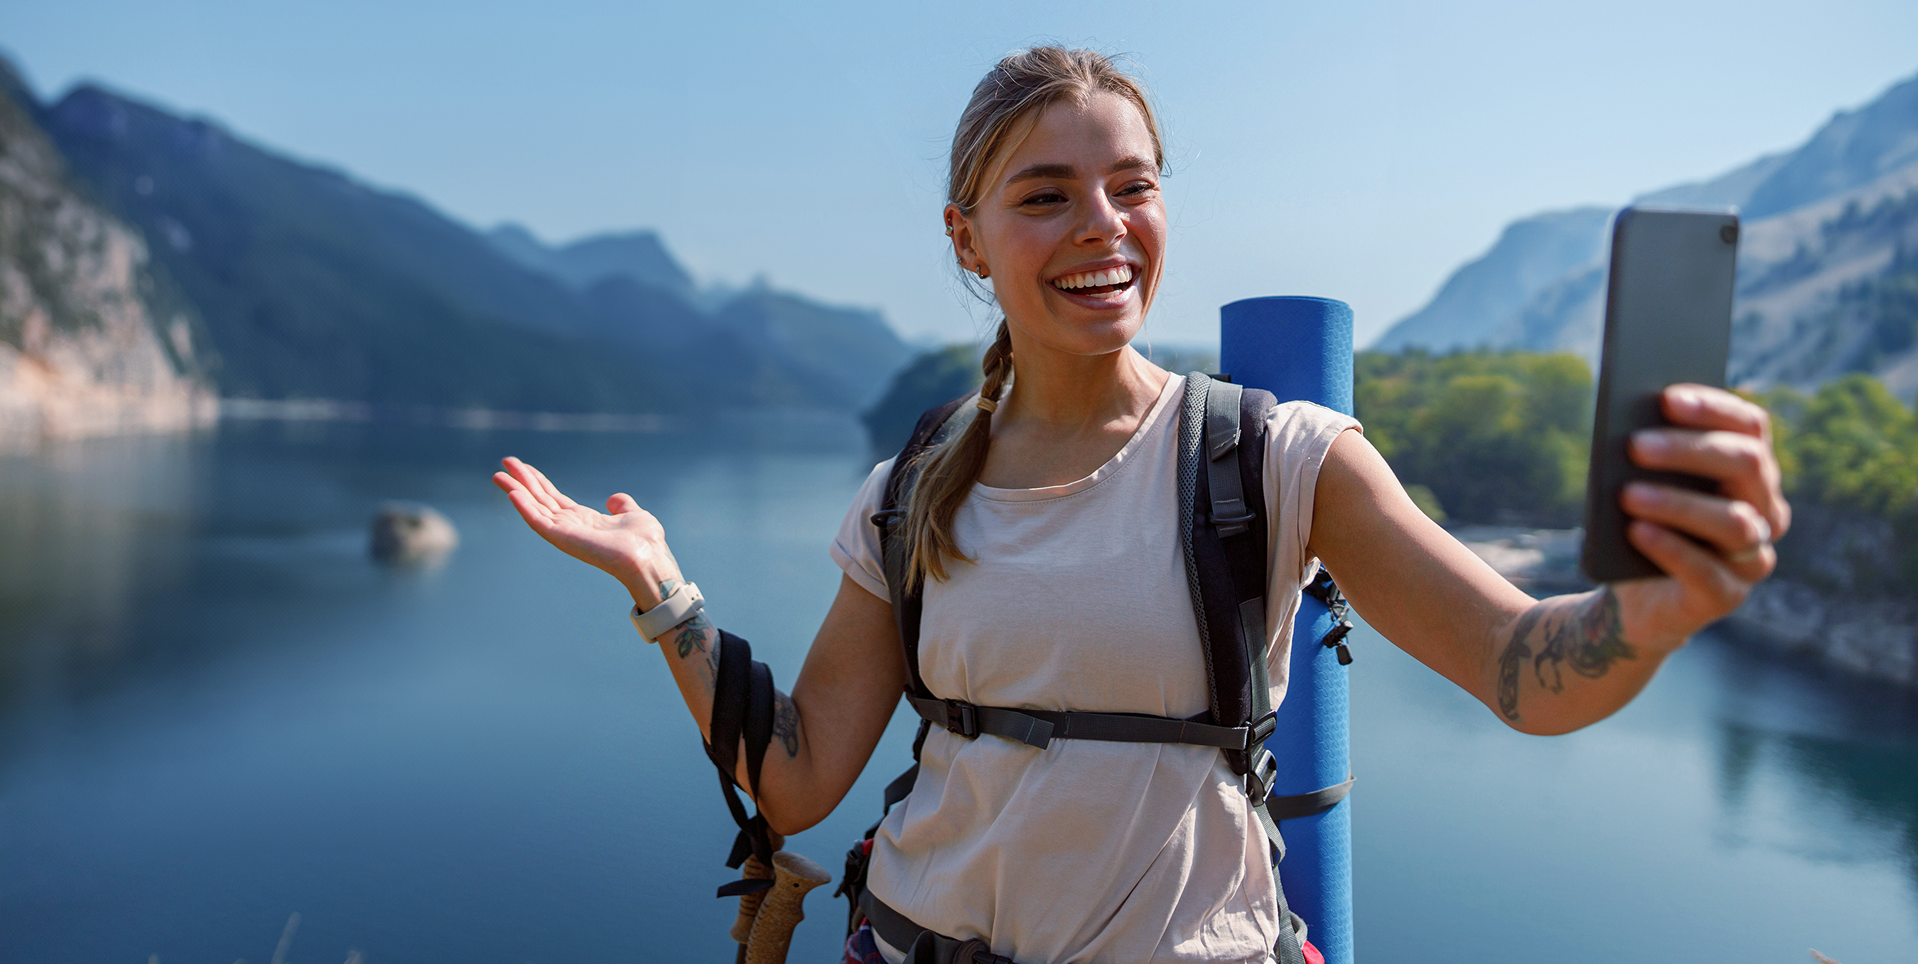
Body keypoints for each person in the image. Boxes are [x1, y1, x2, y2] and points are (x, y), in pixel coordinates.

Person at [492, 46, 1790, 964]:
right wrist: (660, 587)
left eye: (1133, 185)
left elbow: (1523, 671)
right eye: (1044, 195)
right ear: (965, 235)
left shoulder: (1277, 458)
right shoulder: (911, 489)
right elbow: (796, 780)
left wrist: (1655, 605)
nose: (1101, 226)